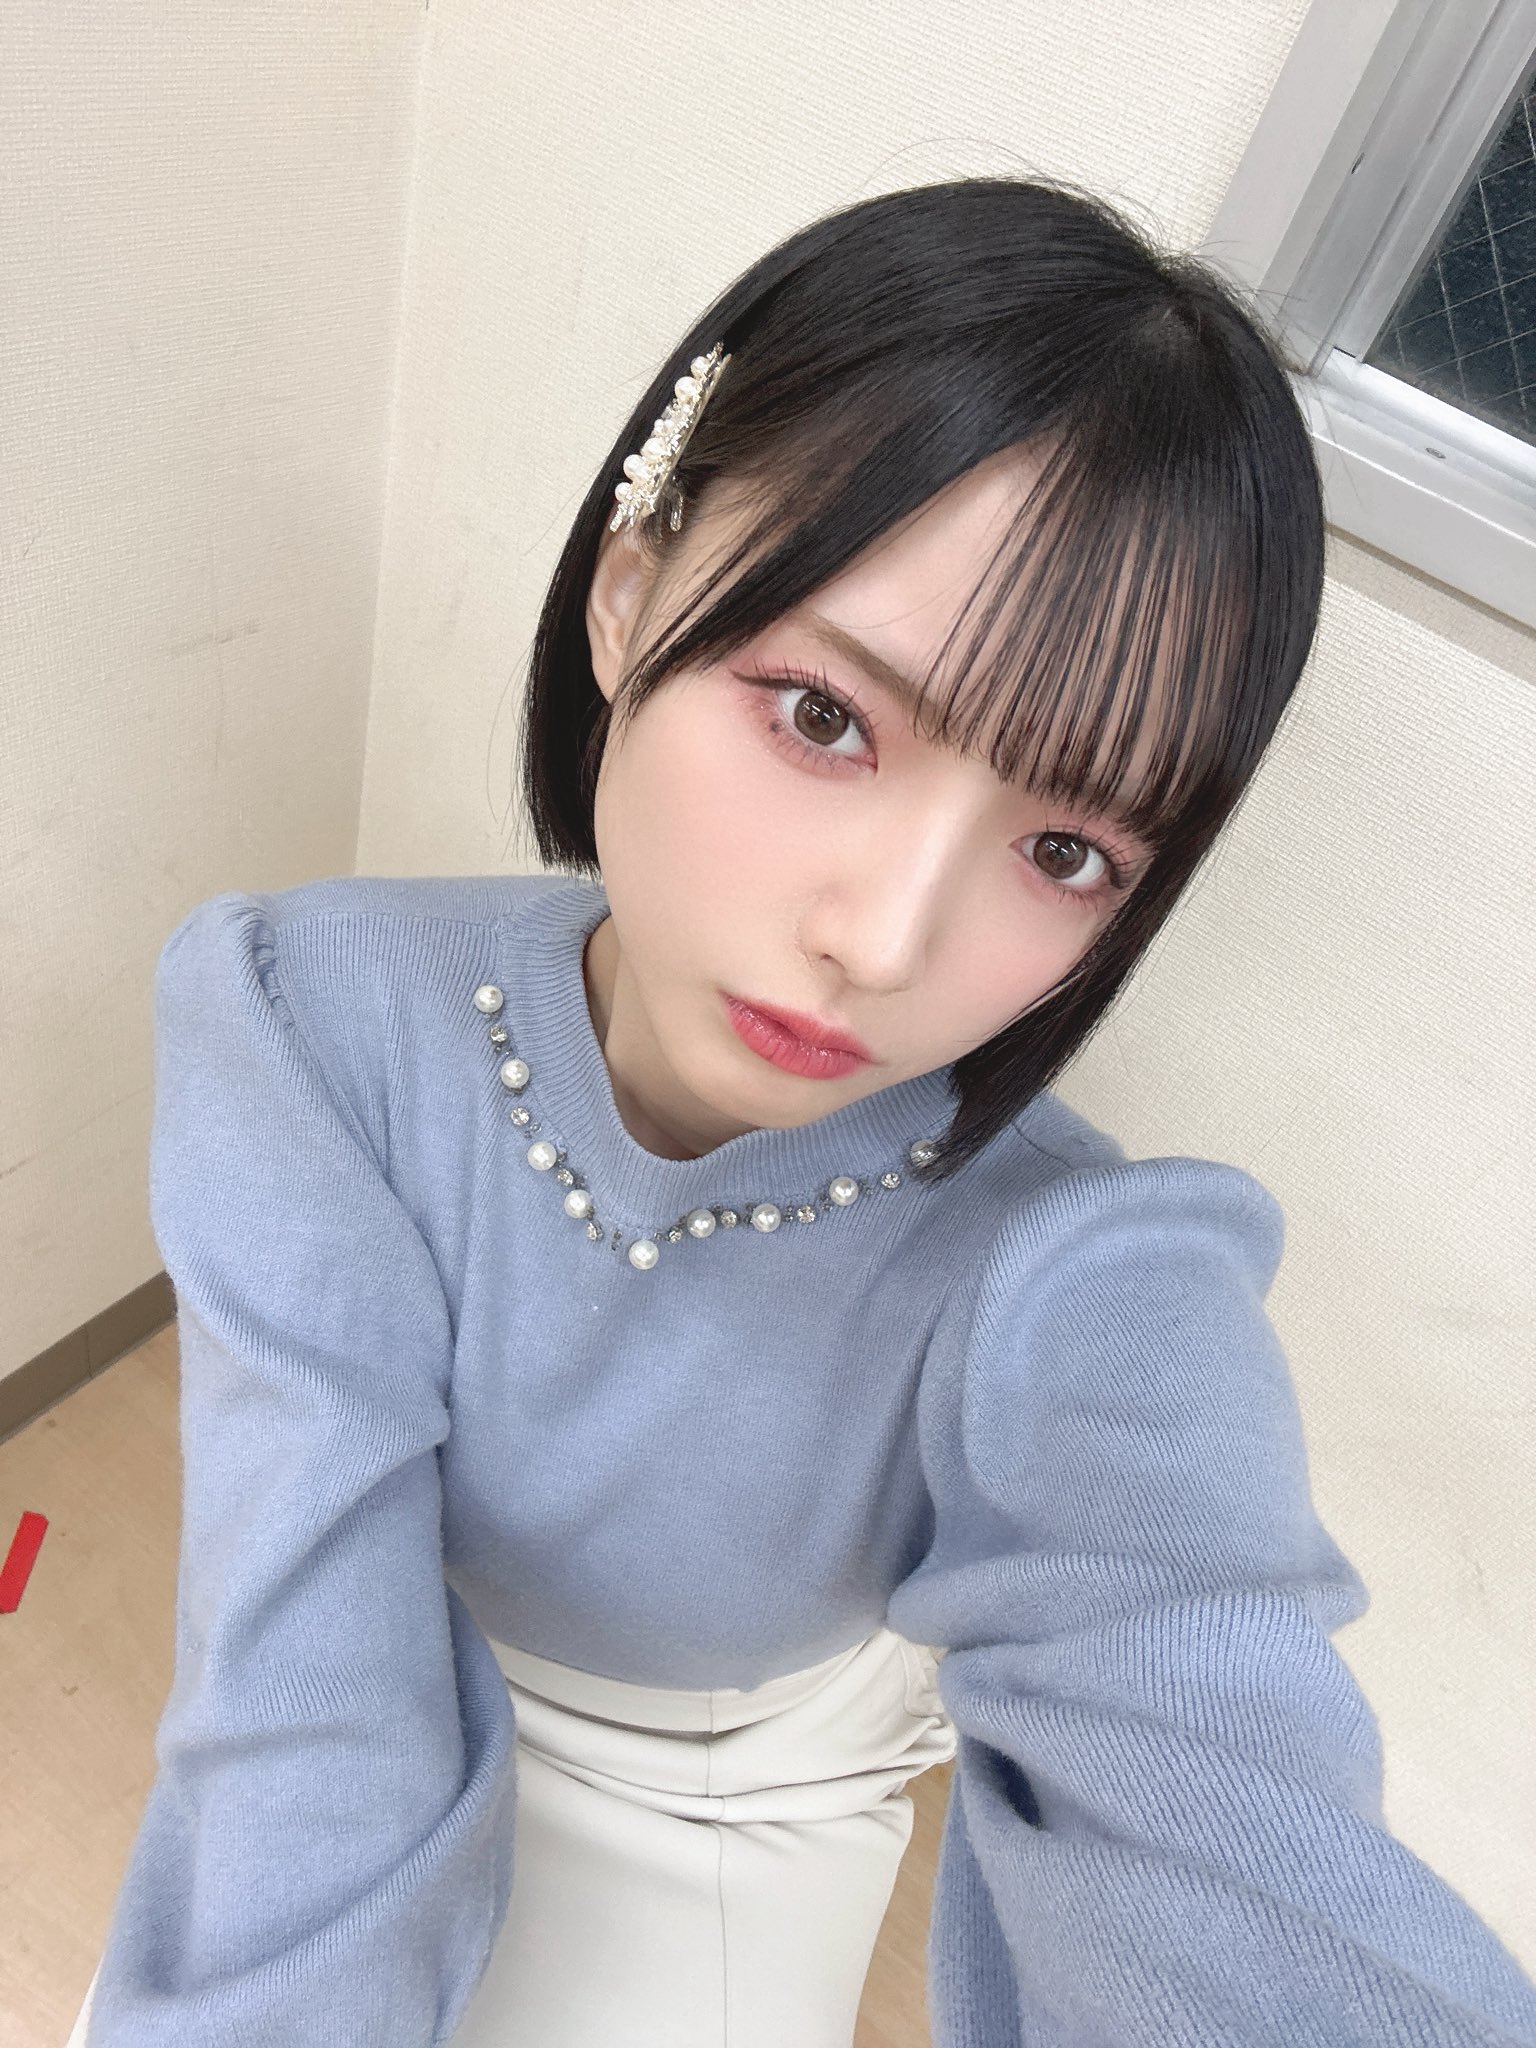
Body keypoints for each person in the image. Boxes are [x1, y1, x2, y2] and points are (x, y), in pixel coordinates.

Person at [70, 177, 1536, 2047]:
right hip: (386, 1659)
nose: (885, 941)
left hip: (736, 1791)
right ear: (630, 596)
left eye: (1067, 849)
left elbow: (1227, 1819)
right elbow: (306, 1699)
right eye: (826, 718)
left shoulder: (1079, 1273)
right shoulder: (302, 1016)